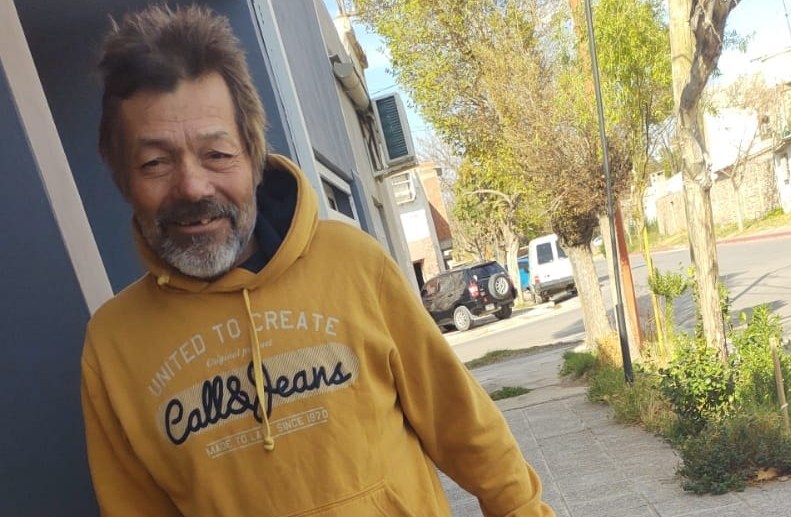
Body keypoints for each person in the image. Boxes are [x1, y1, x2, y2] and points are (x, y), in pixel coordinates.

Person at [80, 5, 554, 516]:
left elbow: (464, 425)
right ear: (123, 178)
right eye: (155, 162)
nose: (193, 186)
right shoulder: (113, 346)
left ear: (253, 158)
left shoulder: (355, 264)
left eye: (217, 154)